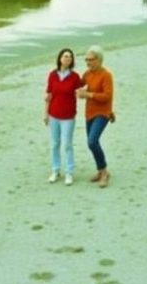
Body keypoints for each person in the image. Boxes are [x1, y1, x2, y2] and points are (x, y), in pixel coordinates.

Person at [77, 45, 114, 188]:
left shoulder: (106, 75)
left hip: (103, 113)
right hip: (89, 113)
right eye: (86, 59)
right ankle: (100, 171)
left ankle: (104, 172)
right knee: (91, 143)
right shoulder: (87, 74)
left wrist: (89, 95)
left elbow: (107, 96)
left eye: (90, 60)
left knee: (92, 141)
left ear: (98, 59)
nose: (87, 62)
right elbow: (77, 85)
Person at [44, 48, 81, 186]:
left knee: (67, 144)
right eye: (65, 56)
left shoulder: (75, 77)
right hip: (54, 115)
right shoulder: (52, 75)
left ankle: (69, 172)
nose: (68, 59)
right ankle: (55, 170)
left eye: (70, 57)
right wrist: (45, 114)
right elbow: (48, 96)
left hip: (68, 116)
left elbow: (83, 89)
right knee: (54, 144)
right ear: (60, 58)